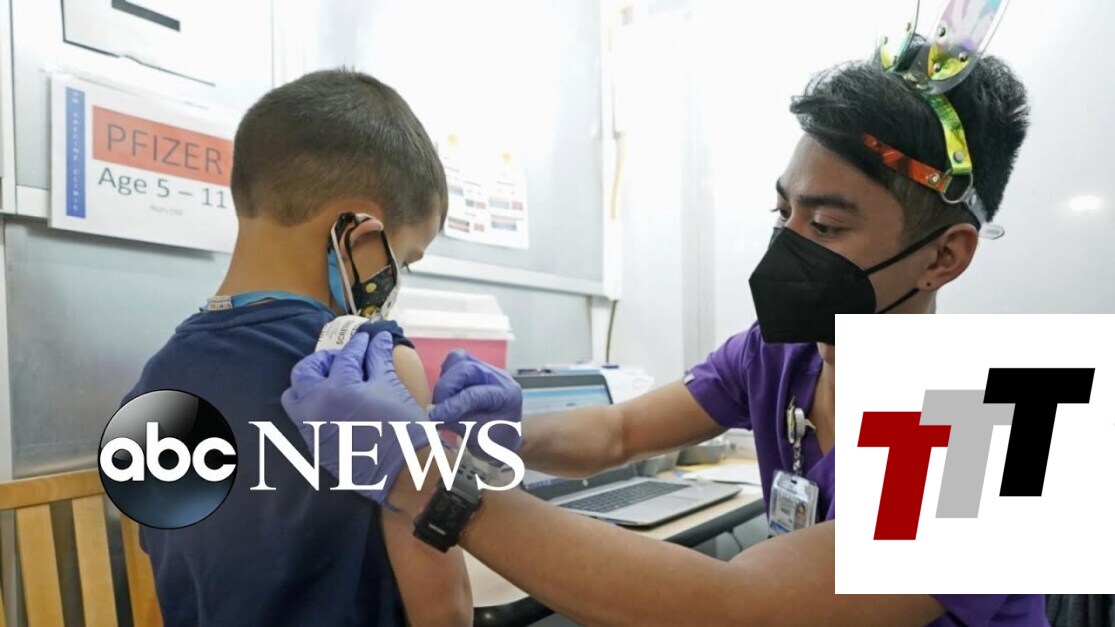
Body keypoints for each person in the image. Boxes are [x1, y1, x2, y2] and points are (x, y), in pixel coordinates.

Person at [283, 40, 1048, 626]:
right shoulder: (778, 355)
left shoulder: (1001, 423)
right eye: (782, 211)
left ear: (942, 256)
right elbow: (618, 432)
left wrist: (422, 477)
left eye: (824, 224)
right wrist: (505, 434)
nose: (786, 242)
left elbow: (734, 607)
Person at [122, 69, 471, 626]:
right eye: (402, 261)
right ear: (360, 237)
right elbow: (445, 614)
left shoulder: (151, 383)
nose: (395, 281)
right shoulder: (377, 366)